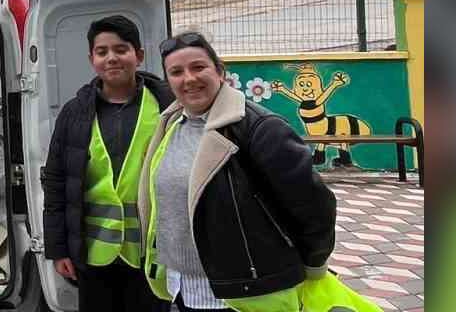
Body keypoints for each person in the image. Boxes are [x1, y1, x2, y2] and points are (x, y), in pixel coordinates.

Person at [138, 32, 336, 311]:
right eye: (177, 72)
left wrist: (313, 266)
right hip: (180, 286)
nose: (189, 78)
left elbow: (314, 206)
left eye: (198, 67)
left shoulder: (259, 128)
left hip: (244, 293)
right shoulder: (170, 124)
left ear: (220, 72)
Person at [40, 15, 174, 312]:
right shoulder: (74, 113)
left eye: (121, 49)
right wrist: (58, 249)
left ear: (138, 55)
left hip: (151, 254)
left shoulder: (167, 106)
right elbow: (56, 181)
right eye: (102, 52)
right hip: (93, 255)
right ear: (92, 59)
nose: (112, 58)